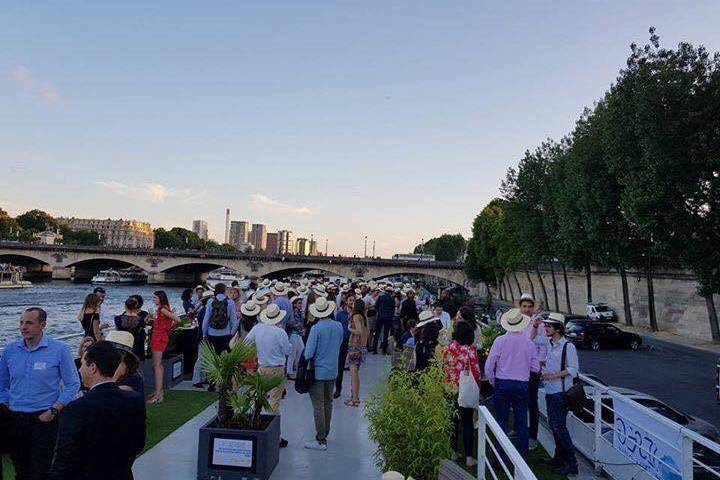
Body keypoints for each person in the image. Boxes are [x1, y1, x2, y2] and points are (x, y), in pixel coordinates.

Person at [0, 307, 81, 480]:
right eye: (21, 322)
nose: (23, 327)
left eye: (29, 322)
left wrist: (54, 410)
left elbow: (73, 383)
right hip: (15, 419)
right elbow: (2, 383)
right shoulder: (10, 351)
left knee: (41, 471)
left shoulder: (59, 349)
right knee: (20, 470)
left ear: (42, 324)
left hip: (45, 418)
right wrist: (6, 404)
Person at [49, 341, 146, 480]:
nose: (79, 370)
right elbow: (138, 445)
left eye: (82, 364)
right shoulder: (134, 400)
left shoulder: (75, 409)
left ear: (92, 368)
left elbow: (63, 460)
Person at [484, 308, 539, 457]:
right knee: (521, 422)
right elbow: (536, 367)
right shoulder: (529, 343)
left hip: (502, 383)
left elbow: (489, 366)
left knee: (501, 422)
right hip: (521, 384)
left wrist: (493, 381)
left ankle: (500, 458)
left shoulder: (500, 341)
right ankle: (522, 457)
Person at [244, 304, 292, 448]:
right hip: (276, 370)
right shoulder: (280, 332)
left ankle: (253, 428)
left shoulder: (257, 328)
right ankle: (275, 437)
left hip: (262, 368)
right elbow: (287, 351)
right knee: (274, 403)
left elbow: (246, 343)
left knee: (257, 400)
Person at [303, 297, 344, 451]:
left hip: (318, 371)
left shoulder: (316, 329)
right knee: (328, 402)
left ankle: (321, 439)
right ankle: (325, 432)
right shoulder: (339, 326)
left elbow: (308, 353)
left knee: (318, 405)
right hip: (333, 370)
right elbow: (339, 343)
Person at [541, 313, 579, 476]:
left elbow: (573, 369)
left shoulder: (568, 346)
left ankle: (572, 463)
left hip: (560, 392)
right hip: (550, 390)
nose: (546, 328)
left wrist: (553, 375)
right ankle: (559, 457)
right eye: (546, 325)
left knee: (559, 427)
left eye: (549, 326)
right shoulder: (549, 344)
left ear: (558, 329)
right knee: (553, 425)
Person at [443, 321, 482, 468]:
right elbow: (477, 373)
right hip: (464, 391)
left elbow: (443, 367)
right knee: (467, 423)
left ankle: (453, 451)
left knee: (452, 421)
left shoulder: (448, 348)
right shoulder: (470, 351)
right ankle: (469, 458)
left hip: (450, 388)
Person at [518, 293, 547, 452]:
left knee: (532, 402)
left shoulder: (539, 324)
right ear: (520, 307)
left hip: (532, 368)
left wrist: (540, 365)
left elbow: (541, 346)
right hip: (518, 367)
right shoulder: (516, 322)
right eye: (524, 307)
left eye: (529, 307)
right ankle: (520, 428)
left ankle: (532, 436)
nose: (527, 309)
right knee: (519, 400)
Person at [147, 290, 181, 404]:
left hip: (159, 337)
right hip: (159, 336)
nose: (154, 300)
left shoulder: (162, 309)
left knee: (156, 365)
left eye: (155, 298)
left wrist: (168, 328)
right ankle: (159, 391)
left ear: (160, 298)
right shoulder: (163, 309)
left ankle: (158, 394)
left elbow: (178, 320)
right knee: (157, 365)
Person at [202, 283, 239, 356]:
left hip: (212, 334)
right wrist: (231, 334)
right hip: (226, 334)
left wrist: (204, 334)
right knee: (225, 358)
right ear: (224, 291)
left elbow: (206, 320)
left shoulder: (210, 301)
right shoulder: (230, 302)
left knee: (214, 357)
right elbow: (234, 322)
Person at [346, 297, 369, 407]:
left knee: (353, 374)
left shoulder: (355, 316)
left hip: (355, 347)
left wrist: (350, 329)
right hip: (363, 347)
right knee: (356, 373)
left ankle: (354, 399)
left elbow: (358, 331)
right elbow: (365, 332)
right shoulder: (364, 317)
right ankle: (355, 396)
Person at [191, 290, 215, 388]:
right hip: (204, 337)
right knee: (201, 358)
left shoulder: (203, 310)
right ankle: (197, 379)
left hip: (204, 336)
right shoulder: (205, 311)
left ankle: (201, 378)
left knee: (204, 358)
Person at [333, 293, 353, 398]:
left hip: (354, 342)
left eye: (353, 300)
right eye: (350, 300)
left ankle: (353, 392)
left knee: (354, 368)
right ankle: (338, 388)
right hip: (343, 341)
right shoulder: (340, 314)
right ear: (346, 302)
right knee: (340, 366)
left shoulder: (357, 315)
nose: (352, 302)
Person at [114, 296, 147, 360]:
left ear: (125, 306)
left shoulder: (118, 318)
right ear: (136, 306)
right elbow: (139, 330)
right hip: (136, 344)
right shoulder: (141, 319)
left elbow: (117, 332)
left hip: (123, 343)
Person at [371, 286, 396, 355]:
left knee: (377, 333)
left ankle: (374, 349)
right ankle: (384, 350)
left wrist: (380, 311)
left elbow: (376, 307)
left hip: (380, 317)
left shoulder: (380, 297)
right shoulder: (392, 299)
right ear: (391, 292)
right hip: (388, 318)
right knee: (386, 334)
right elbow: (393, 310)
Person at [286, 296, 305, 380]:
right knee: (293, 353)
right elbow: (291, 324)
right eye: (299, 303)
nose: (301, 304)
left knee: (300, 351)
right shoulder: (293, 313)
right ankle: (289, 372)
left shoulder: (298, 312)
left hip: (297, 333)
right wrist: (300, 328)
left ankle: (296, 369)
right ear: (294, 304)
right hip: (293, 334)